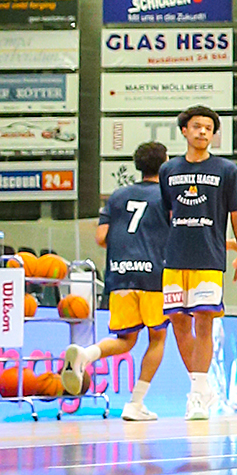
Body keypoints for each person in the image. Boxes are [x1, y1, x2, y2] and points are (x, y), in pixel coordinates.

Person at [63, 141, 171, 420]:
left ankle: (86, 354)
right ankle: (136, 403)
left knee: (125, 339)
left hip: (120, 274)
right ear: (165, 163)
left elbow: (101, 237)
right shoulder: (167, 194)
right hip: (154, 276)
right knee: (158, 338)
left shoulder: (118, 195)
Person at [156, 107, 237, 422]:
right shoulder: (168, 170)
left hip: (209, 257)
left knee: (204, 321)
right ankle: (202, 384)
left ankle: (196, 395)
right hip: (175, 257)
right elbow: (168, 215)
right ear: (184, 130)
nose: (202, 132)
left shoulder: (226, 170)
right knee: (178, 322)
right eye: (197, 126)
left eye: (208, 128)